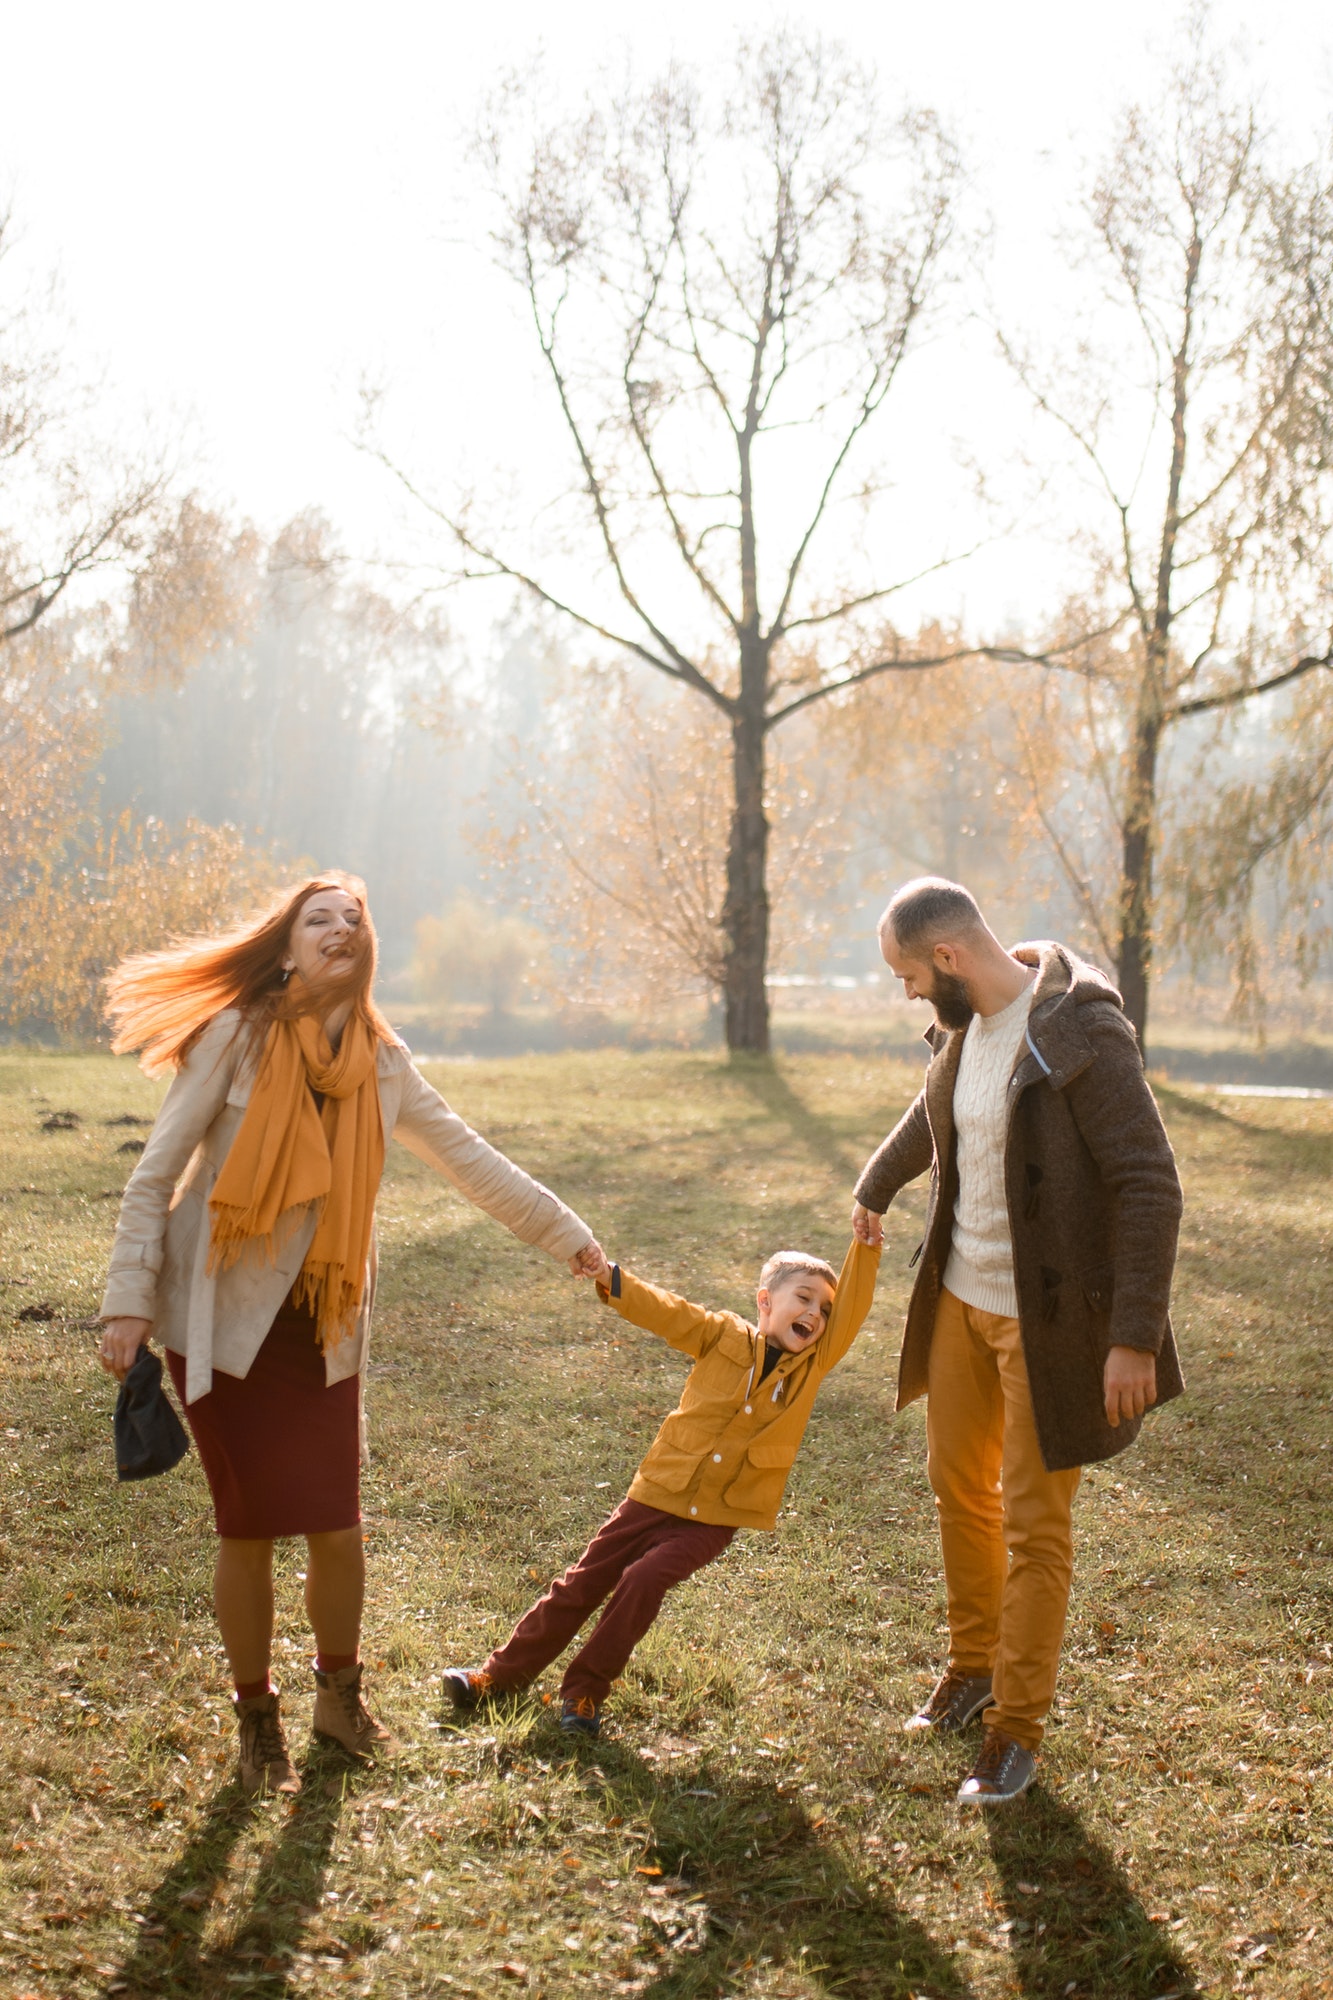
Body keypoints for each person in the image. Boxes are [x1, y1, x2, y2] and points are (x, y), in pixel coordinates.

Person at [97, 873, 603, 1799]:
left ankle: (340, 1699)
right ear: (285, 947)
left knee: (337, 1527)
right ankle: (258, 1720)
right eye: (317, 919)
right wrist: (126, 1297)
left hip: (324, 1323)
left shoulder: (382, 1061)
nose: (338, 930)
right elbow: (155, 1172)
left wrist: (568, 1235)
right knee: (247, 1530)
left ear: (369, 949)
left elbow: (470, 1159)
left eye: (353, 920)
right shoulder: (235, 1038)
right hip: (226, 1323)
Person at [852, 877, 1183, 1805]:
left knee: (1035, 1526)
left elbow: (1149, 1185)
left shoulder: (1082, 1031)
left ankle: (1015, 1731)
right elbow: (938, 1110)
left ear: (949, 960)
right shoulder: (967, 1031)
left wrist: (1132, 1337)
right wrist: (874, 1185)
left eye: (910, 975)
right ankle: (973, 1667)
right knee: (958, 1490)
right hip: (958, 1296)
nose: (908, 993)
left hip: (1054, 1330)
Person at [444, 1238, 879, 1737]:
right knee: (581, 1583)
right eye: (803, 1297)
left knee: (644, 1579)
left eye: (824, 1308)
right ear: (765, 1301)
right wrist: (609, 1277)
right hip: (656, 1493)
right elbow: (667, 1311)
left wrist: (866, 1245)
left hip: (714, 1517)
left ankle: (584, 1692)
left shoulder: (810, 1368)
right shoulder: (722, 1335)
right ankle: (498, 1678)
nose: (815, 1314)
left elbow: (853, 1309)